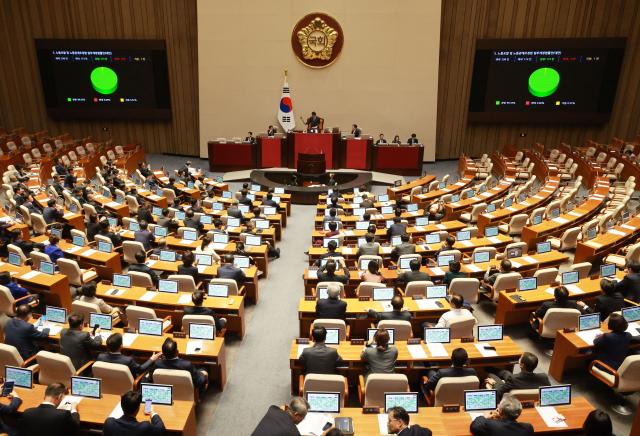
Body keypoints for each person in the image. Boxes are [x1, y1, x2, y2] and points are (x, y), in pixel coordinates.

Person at [485, 352, 550, 400]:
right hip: (519, 383)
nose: (519, 359)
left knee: (490, 375)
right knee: (506, 373)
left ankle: (487, 368)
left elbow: (499, 393)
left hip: (511, 401)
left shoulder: (513, 379)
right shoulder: (544, 377)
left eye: (520, 358)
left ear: (522, 365)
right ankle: (491, 368)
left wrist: (493, 383)